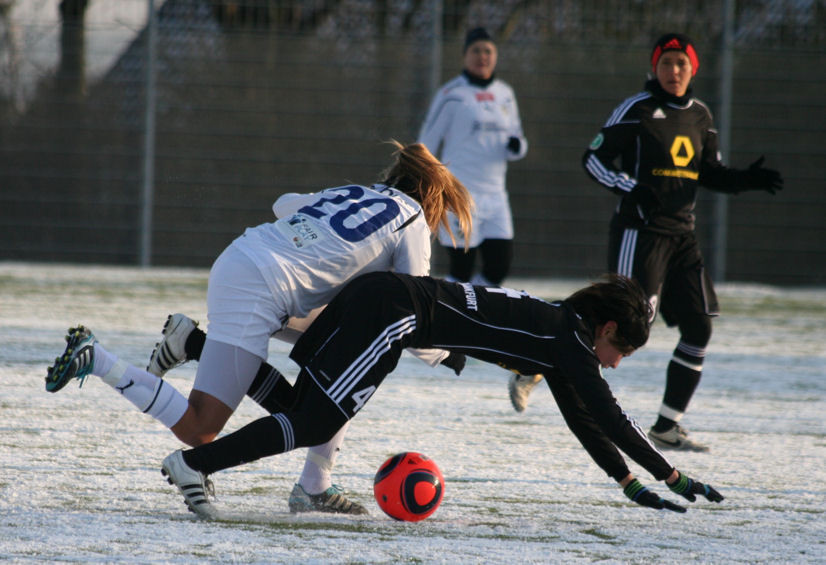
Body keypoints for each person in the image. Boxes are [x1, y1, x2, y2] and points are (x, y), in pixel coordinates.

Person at [45, 141, 473, 515]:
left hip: (244, 259)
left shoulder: (355, 193)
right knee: (200, 428)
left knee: (344, 364)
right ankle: (99, 359)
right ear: (434, 200)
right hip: (264, 289)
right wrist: (450, 354)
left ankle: (314, 484)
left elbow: (284, 203)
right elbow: (416, 314)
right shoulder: (412, 219)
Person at [157, 271, 724, 519]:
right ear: (606, 331)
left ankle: (199, 347)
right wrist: (669, 475)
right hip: (394, 314)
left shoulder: (563, 332)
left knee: (308, 416)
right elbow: (613, 419)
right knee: (312, 423)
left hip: (386, 303)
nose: (618, 364)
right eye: (621, 351)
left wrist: (626, 481)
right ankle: (193, 462)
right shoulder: (568, 342)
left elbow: (583, 418)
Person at [510, 33, 782, 453]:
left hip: (682, 236)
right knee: (617, 320)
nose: (674, 71)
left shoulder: (701, 116)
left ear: (693, 70)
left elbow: (708, 172)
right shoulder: (636, 110)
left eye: (682, 64)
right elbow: (594, 159)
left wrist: (745, 179)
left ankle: (667, 426)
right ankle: (534, 364)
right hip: (640, 233)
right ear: (654, 67)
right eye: (667, 63)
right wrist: (630, 188)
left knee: (699, 327)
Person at [418, 27, 528, 288]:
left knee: (499, 267)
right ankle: (450, 314)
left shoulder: (505, 94)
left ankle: (475, 309)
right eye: (476, 50)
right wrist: (428, 184)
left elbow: (519, 142)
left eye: (488, 50)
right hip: (460, 196)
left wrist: (517, 146)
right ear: (464, 56)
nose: (483, 56)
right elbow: (425, 144)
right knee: (462, 269)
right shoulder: (451, 95)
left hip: (496, 197)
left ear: (496, 55)